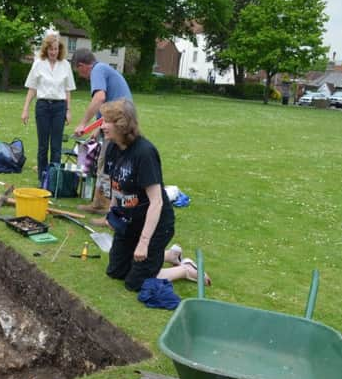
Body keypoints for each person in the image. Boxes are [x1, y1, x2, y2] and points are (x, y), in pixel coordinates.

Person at [99, 99, 211, 292]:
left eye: (106, 122)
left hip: (156, 224)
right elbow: (116, 185)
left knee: (136, 282)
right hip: (130, 221)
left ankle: (185, 269)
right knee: (116, 271)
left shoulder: (145, 153)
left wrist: (144, 243)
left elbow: (157, 201)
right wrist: (113, 214)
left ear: (121, 125)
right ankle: (169, 255)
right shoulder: (112, 147)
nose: (102, 126)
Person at [71, 48, 132, 224]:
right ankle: (100, 203)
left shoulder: (97, 70)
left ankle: (108, 209)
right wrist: (97, 128)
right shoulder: (104, 69)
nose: (80, 75)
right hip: (119, 119)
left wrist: (83, 123)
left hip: (119, 122)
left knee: (109, 164)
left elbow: (99, 98)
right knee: (104, 163)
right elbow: (109, 103)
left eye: (78, 70)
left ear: (82, 66)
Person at [21, 31, 76, 182]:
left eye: (56, 49)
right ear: (46, 49)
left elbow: (68, 90)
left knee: (56, 147)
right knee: (43, 146)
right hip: (43, 107)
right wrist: (25, 109)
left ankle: (54, 180)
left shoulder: (65, 65)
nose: (53, 52)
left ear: (60, 49)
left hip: (59, 107)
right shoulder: (38, 64)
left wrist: (68, 110)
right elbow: (32, 88)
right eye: (51, 49)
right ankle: (42, 178)